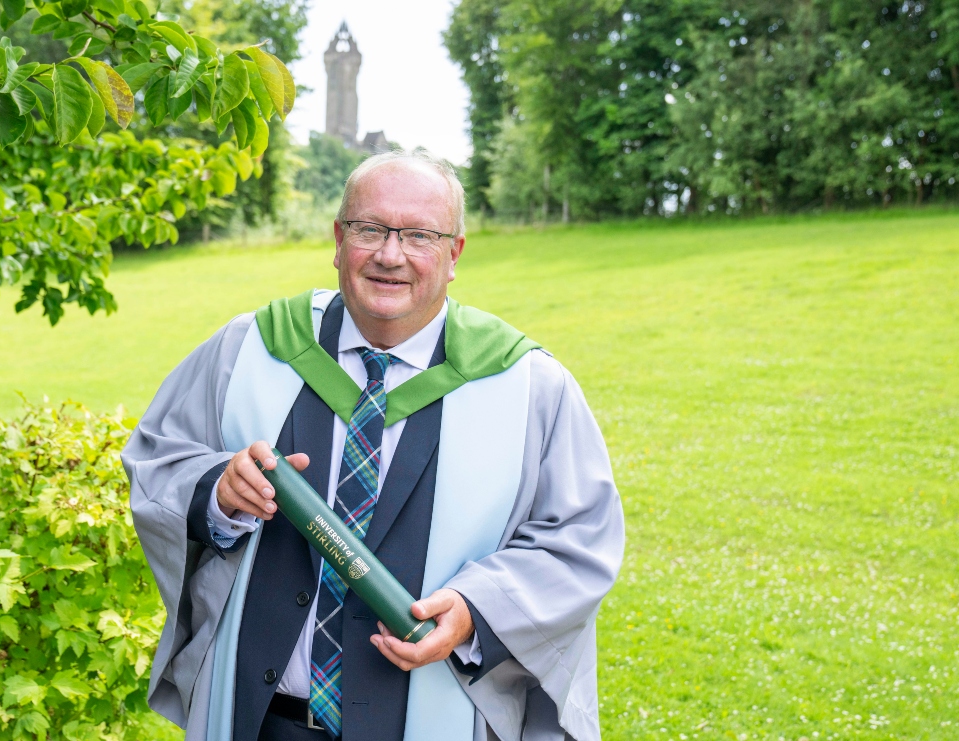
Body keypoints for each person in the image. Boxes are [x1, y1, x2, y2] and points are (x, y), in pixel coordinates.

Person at [122, 150, 625, 741]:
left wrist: (476, 610)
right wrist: (217, 492)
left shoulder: (528, 385)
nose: (390, 255)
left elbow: (578, 539)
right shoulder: (250, 348)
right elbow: (158, 459)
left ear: (455, 254)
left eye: (419, 235)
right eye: (369, 229)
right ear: (338, 241)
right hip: (261, 721)